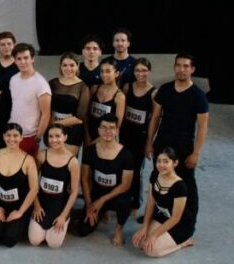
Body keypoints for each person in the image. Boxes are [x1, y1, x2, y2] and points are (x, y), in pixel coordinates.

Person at [146, 54, 209, 217]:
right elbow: (155, 118)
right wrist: (149, 143)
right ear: (174, 67)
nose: (181, 69)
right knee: (159, 179)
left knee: (186, 183)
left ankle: (188, 220)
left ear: (192, 69)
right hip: (162, 144)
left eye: (186, 66)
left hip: (183, 148)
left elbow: (202, 127)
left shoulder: (198, 96)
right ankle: (156, 213)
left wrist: (196, 153)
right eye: (178, 65)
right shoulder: (165, 89)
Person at [77, 114, 134, 246]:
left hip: (116, 195)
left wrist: (101, 200)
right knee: (82, 230)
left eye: (112, 128)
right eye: (104, 127)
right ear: (98, 130)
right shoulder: (90, 150)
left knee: (124, 201)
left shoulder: (126, 155)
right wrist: (89, 204)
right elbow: (84, 178)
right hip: (97, 194)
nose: (108, 131)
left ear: (117, 130)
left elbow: (125, 185)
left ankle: (119, 228)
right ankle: (102, 212)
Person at [132, 147, 195, 257]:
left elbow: (176, 218)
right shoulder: (155, 175)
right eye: (159, 161)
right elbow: (150, 204)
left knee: (151, 250)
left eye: (166, 161)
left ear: (175, 163)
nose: (161, 165)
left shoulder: (180, 186)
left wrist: (154, 235)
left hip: (181, 224)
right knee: (137, 242)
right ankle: (162, 238)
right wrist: (144, 227)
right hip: (163, 216)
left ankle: (183, 243)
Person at [0, 124, 39, 247]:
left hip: (19, 206)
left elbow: (34, 189)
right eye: (8, 135)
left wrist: (20, 212)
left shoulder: (28, 160)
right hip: (0, 204)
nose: (12, 139)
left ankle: (21, 221)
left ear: (21, 138)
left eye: (15, 136)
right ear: (3, 137)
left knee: (10, 240)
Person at [29, 124, 80, 249]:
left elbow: (74, 191)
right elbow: (32, 183)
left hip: (59, 206)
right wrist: (36, 205)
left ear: (65, 137)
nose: (54, 140)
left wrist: (63, 215)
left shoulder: (72, 162)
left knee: (53, 244)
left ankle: (67, 220)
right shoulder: (41, 156)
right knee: (35, 241)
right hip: (42, 205)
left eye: (58, 136)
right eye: (51, 136)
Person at [120, 57, 156, 214]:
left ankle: (135, 202)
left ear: (149, 71)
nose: (140, 74)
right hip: (125, 134)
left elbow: (154, 119)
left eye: (144, 70)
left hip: (140, 137)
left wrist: (149, 143)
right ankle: (123, 198)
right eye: (137, 70)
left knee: (136, 170)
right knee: (123, 167)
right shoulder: (127, 87)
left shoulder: (153, 93)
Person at [8, 43, 51, 156]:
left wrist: (38, 137)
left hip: (29, 136)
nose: (23, 62)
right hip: (12, 134)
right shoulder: (13, 79)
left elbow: (46, 114)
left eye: (26, 58)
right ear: (14, 60)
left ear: (32, 59)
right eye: (19, 59)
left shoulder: (41, 84)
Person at [48, 52, 90, 156]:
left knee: (67, 161)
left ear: (77, 66)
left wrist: (55, 124)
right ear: (60, 67)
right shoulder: (53, 83)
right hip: (53, 130)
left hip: (73, 130)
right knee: (53, 160)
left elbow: (79, 118)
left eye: (72, 65)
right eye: (65, 65)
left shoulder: (83, 87)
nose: (68, 68)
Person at [85, 57, 125, 145]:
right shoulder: (94, 89)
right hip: (89, 136)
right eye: (102, 71)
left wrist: (98, 141)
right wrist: (87, 136)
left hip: (107, 139)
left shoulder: (119, 96)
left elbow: (117, 125)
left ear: (116, 73)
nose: (104, 74)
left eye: (108, 71)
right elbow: (86, 115)